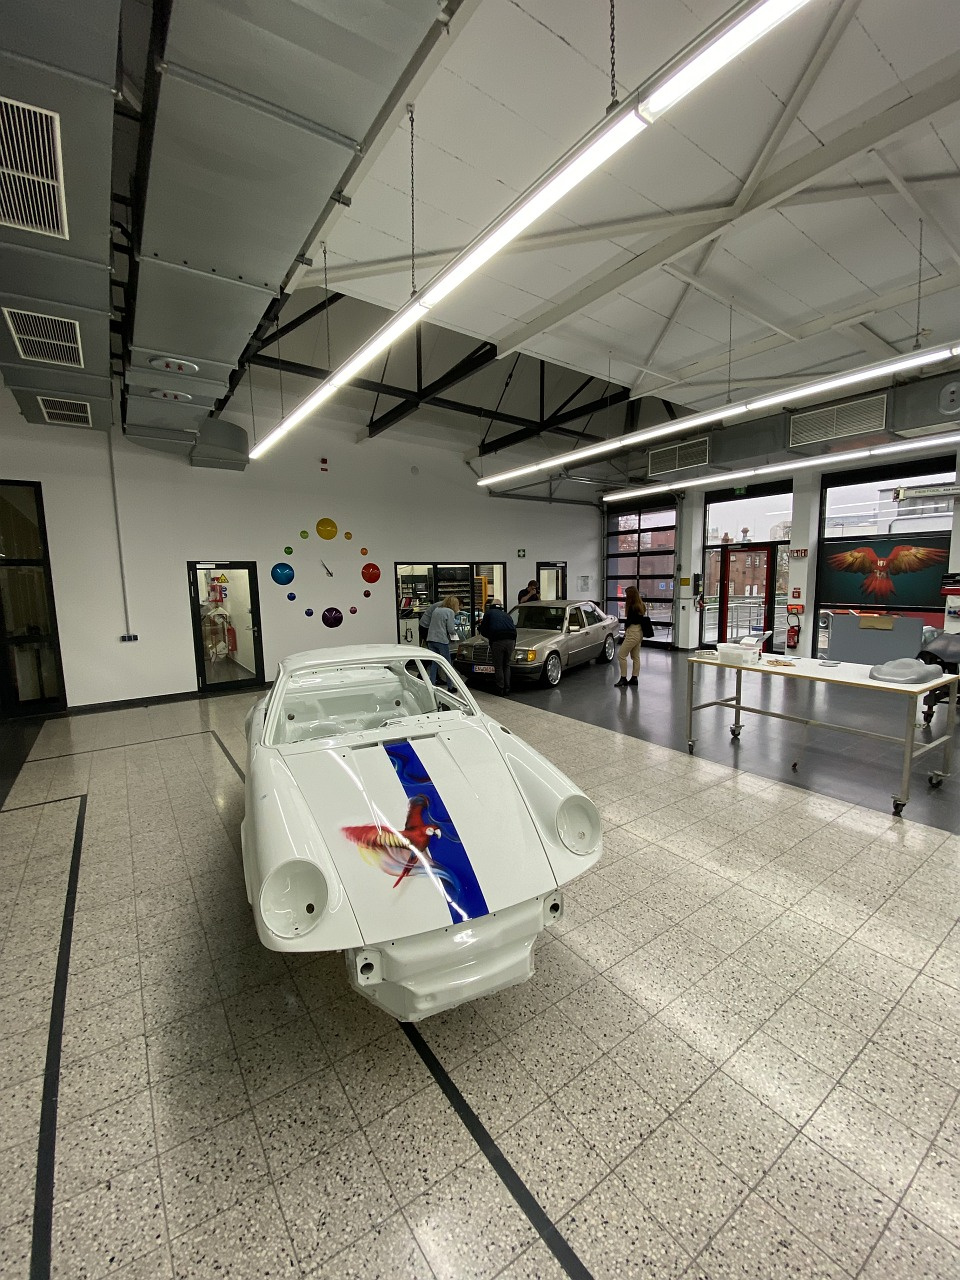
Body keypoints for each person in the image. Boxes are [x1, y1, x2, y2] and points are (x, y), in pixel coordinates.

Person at [478, 599, 517, 696]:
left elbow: (484, 629)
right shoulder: (506, 615)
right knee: (506, 665)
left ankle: (500, 688)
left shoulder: (489, 613)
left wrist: (490, 636)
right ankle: (507, 688)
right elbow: (513, 628)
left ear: (491, 606)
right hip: (511, 640)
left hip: (498, 641)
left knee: (498, 666)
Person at [615, 586, 647, 688]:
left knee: (621, 655)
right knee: (635, 656)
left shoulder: (632, 606)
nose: (626, 596)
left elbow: (629, 621)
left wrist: (626, 629)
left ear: (631, 595)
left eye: (627, 594)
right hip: (639, 631)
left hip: (632, 632)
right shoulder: (641, 605)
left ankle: (623, 678)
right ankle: (634, 678)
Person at [426, 595, 460, 686]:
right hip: (441, 640)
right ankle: (450, 686)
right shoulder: (450, 612)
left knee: (434, 663)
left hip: (431, 639)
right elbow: (450, 629)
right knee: (447, 664)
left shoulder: (437, 609)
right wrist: (455, 633)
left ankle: (431, 684)